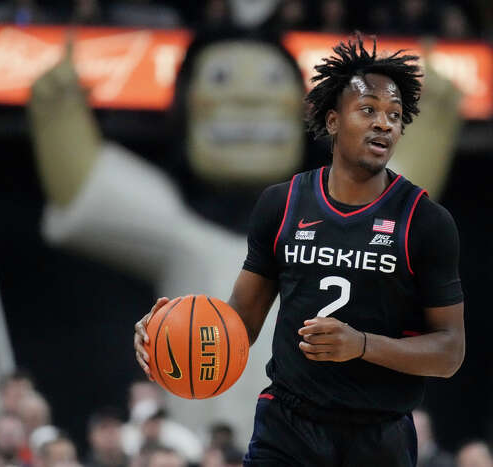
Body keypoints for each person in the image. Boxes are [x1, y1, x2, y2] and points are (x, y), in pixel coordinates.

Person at [134, 33, 465, 466]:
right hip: (288, 426)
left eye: (395, 115)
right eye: (368, 111)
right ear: (331, 122)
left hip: (377, 433)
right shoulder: (282, 203)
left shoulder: (425, 221)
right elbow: (243, 322)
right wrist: (172, 335)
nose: (383, 123)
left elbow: (449, 353)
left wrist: (362, 345)